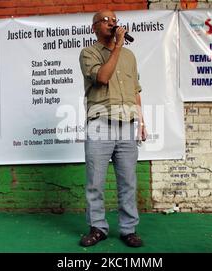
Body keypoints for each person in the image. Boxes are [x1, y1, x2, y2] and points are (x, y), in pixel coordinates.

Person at [78, 10, 147, 247]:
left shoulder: (130, 56)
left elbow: (136, 91)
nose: (112, 23)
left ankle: (128, 229)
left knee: (128, 181)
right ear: (94, 27)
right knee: (95, 182)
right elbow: (103, 78)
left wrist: (142, 122)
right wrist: (117, 46)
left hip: (127, 125)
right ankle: (98, 227)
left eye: (114, 20)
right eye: (106, 20)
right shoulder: (89, 53)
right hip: (100, 125)